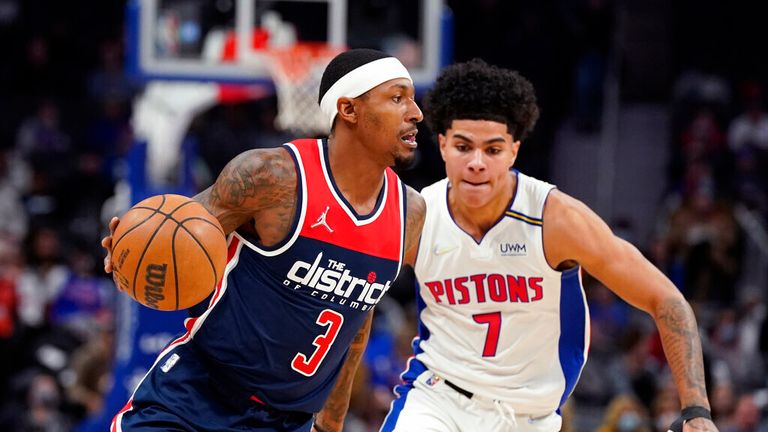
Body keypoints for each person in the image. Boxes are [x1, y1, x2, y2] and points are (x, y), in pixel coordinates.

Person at [380, 59, 718, 432]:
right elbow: (350, 300)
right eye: (463, 146)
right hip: (437, 400)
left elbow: (667, 301)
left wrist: (697, 412)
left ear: (514, 151)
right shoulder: (418, 215)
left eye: (492, 150)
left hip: (529, 417)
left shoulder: (555, 219)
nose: (476, 163)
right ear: (443, 145)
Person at [101, 48, 426, 432]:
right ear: (349, 110)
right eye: (397, 97)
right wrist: (133, 250)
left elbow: (356, 320)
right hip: (195, 401)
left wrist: (331, 422)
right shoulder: (272, 178)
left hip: (286, 423)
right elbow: (181, 228)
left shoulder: (410, 215)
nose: (416, 112)